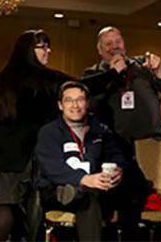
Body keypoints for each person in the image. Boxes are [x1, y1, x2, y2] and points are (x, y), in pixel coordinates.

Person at [83, 26, 161, 239]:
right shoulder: (93, 73)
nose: (115, 47)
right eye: (109, 43)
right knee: (123, 197)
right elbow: (91, 101)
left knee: (142, 196)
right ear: (99, 49)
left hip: (148, 143)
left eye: (118, 42)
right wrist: (112, 73)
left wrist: (158, 71)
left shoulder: (141, 67)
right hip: (114, 145)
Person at [0, 30, 72, 241]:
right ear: (29, 50)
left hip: (6, 152)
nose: (48, 51)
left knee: (6, 204)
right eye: (42, 47)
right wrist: (114, 73)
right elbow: (80, 86)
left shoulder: (3, 78)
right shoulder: (44, 78)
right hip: (32, 151)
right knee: (33, 206)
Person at [35, 81, 126, 241]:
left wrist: (119, 170)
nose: (75, 105)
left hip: (96, 188)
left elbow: (115, 154)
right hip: (55, 189)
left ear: (88, 103)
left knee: (97, 195)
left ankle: (76, 192)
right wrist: (83, 179)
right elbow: (51, 168)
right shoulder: (49, 131)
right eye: (69, 100)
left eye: (80, 100)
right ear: (60, 105)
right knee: (88, 196)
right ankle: (71, 191)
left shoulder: (101, 130)